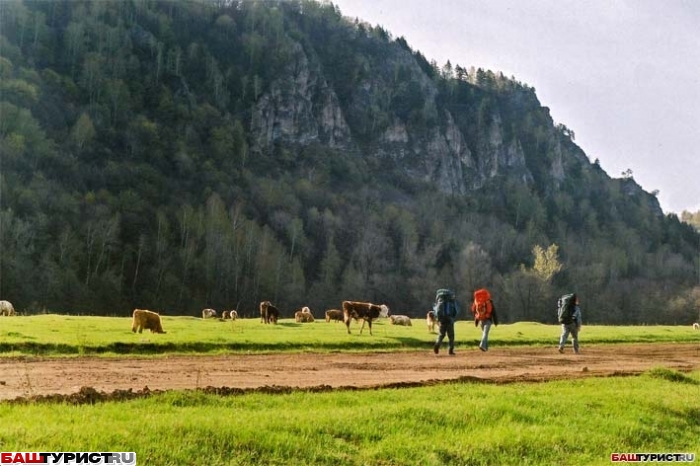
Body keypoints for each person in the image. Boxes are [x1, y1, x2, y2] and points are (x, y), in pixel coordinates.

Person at [432, 289, 459, 356]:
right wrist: (453, 318)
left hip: (442, 320)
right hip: (449, 320)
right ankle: (450, 350)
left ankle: (437, 344)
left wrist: (438, 319)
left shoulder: (439, 302)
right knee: (451, 336)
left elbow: (436, 312)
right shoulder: (451, 302)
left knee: (441, 334)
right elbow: (455, 311)